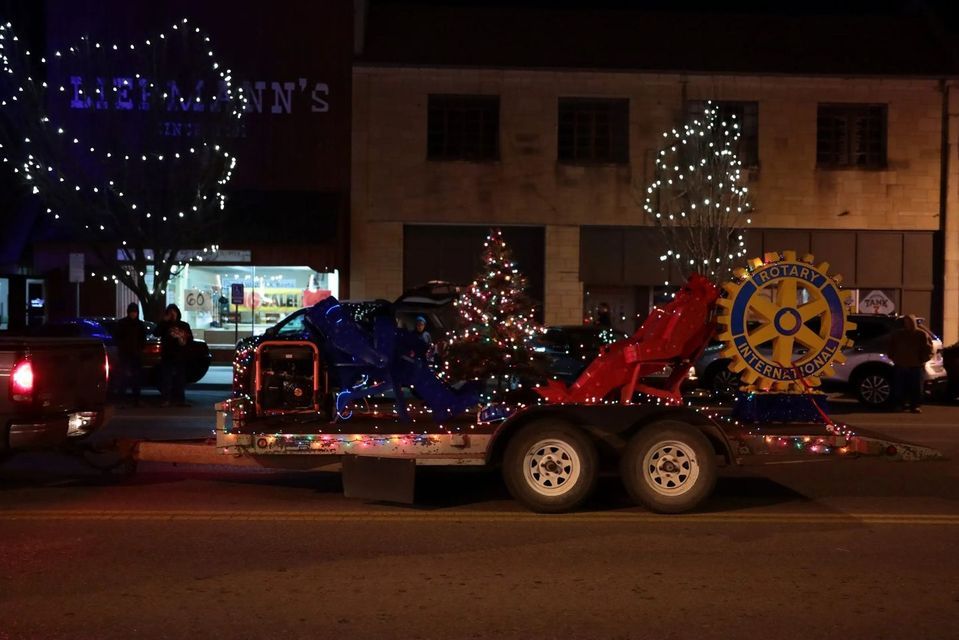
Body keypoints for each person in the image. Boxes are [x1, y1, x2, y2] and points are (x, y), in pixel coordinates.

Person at [888, 315, 933, 413]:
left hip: (916, 365)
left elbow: (928, 349)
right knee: (900, 387)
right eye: (906, 322)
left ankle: (915, 406)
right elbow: (891, 346)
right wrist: (893, 357)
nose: (907, 324)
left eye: (909, 322)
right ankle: (900, 404)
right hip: (901, 364)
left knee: (916, 387)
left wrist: (923, 359)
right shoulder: (898, 334)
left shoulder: (921, 334)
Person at [157, 303, 194, 407]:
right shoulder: (164, 326)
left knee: (180, 379)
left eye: (174, 312)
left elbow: (190, 339)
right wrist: (164, 321)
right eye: (170, 313)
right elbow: (156, 332)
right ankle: (166, 399)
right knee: (166, 378)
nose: (172, 315)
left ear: (178, 313)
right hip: (167, 355)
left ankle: (180, 400)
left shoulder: (183, 325)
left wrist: (184, 341)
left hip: (180, 356)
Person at [114, 302, 146, 406]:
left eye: (135, 312)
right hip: (125, 354)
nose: (133, 314)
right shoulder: (122, 323)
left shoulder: (140, 324)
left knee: (136, 378)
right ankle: (121, 399)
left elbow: (143, 339)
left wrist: (140, 349)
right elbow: (117, 337)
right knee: (123, 377)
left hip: (136, 354)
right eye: (132, 312)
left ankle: (136, 399)